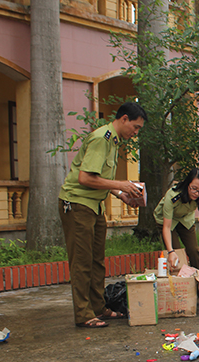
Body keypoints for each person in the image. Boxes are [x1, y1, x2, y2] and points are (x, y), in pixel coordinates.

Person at [59, 101, 147, 328]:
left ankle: (99, 308)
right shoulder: (102, 138)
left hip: (94, 206)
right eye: (135, 127)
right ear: (124, 118)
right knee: (82, 262)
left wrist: (121, 193)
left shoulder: (114, 141)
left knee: (97, 261)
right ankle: (83, 314)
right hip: (78, 205)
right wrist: (123, 184)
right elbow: (85, 178)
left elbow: (100, 180)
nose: (135, 133)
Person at [154, 168, 199, 271]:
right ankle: (182, 281)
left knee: (194, 250)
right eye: (193, 188)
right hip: (167, 220)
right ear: (187, 184)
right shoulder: (172, 195)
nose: (196, 193)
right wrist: (170, 251)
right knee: (177, 252)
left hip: (185, 219)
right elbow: (167, 226)